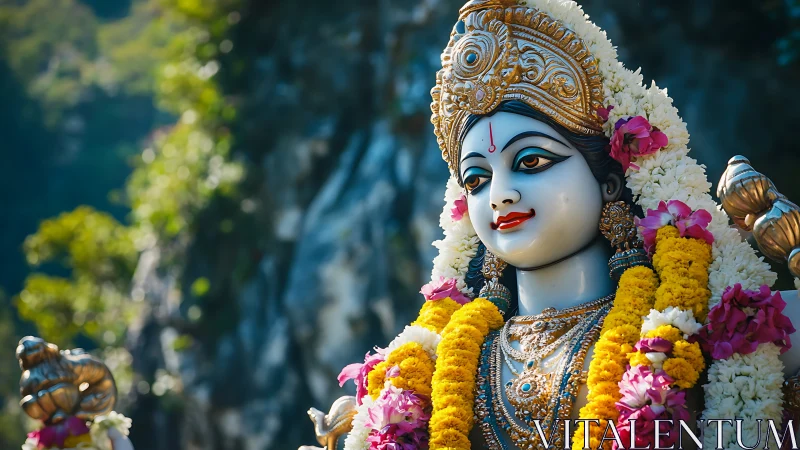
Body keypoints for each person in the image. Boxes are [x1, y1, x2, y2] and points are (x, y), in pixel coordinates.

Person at [320, 0, 800, 449]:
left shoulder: (717, 328)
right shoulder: (427, 375)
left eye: (530, 162)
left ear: (609, 182)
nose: (499, 194)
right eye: (477, 179)